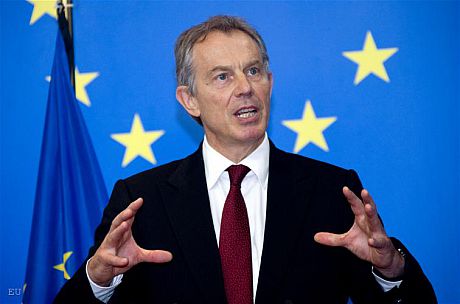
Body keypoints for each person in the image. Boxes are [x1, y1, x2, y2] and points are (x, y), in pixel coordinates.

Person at [55, 15, 437, 304]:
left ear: (270, 82)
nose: (245, 88)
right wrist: (99, 278)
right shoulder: (142, 200)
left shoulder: (333, 192)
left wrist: (389, 270)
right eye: (222, 77)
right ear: (189, 100)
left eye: (253, 71)